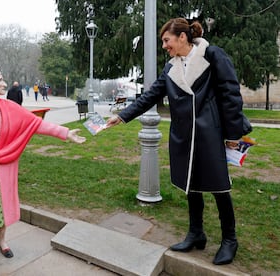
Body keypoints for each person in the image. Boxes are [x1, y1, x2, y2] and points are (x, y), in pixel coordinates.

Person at [106, 18, 251, 265]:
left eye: (166, 40)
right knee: (190, 184)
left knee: (219, 186)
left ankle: (230, 240)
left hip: (211, 133)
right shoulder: (171, 67)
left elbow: (230, 93)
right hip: (183, 135)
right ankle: (196, 233)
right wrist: (122, 115)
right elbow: (151, 95)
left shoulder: (212, 55)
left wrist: (234, 133)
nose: (164, 46)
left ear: (182, 37)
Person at [0, 63, 86, 262]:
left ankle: (1, 240)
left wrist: (65, 133)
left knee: (3, 203)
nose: (4, 84)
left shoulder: (10, 107)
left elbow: (36, 124)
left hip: (4, 165)